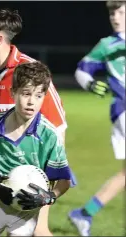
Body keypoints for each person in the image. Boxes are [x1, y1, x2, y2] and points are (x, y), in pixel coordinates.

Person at [0, 62, 72, 236]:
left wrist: (48, 197)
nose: (31, 102)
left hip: (27, 207)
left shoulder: (49, 135)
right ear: (13, 93)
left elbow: (64, 181)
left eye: (38, 96)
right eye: (26, 94)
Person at [68, 1, 125, 236]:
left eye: (121, 12)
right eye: (112, 12)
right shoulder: (108, 45)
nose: (115, 16)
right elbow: (81, 69)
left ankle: (84, 214)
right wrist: (90, 84)